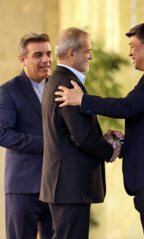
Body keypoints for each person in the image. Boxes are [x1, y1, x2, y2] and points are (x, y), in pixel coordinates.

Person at [55, 22, 144, 239]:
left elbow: (126, 106)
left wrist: (83, 100)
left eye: (132, 46)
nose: (129, 52)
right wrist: (121, 143)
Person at [39, 27, 121, 239]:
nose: (91, 56)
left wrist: (101, 138)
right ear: (71, 54)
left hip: (65, 186)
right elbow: (81, 136)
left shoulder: (57, 81)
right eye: (87, 51)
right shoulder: (67, 84)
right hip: (70, 187)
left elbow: (70, 133)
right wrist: (111, 150)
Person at [0, 32, 53, 239]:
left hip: (57, 186)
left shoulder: (61, 88)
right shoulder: (7, 91)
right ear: (22, 59)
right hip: (23, 187)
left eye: (48, 53)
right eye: (38, 55)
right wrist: (48, 145)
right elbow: (3, 135)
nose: (46, 60)